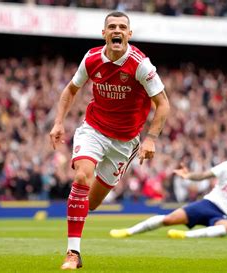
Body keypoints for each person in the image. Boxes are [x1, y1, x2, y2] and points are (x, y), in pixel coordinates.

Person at [49, 11, 170, 270]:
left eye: (122, 27)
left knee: (90, 202)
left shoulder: (140, 64)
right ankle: (73, 253)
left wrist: (150, 139)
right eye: (112, 26)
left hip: (124, 142)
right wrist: (59, 121)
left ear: (129, 34)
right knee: (82, 176)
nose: (117, 30)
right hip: (93, 129)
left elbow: (163, 104)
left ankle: (78, 228)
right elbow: (71, 89)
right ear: (104, 33)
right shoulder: (92, 58)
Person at [110, 144, 227, 239]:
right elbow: (204, 175)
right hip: (209, 204)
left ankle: (185, 235)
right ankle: (128, 231)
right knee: (168, 219)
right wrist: (189, 175)